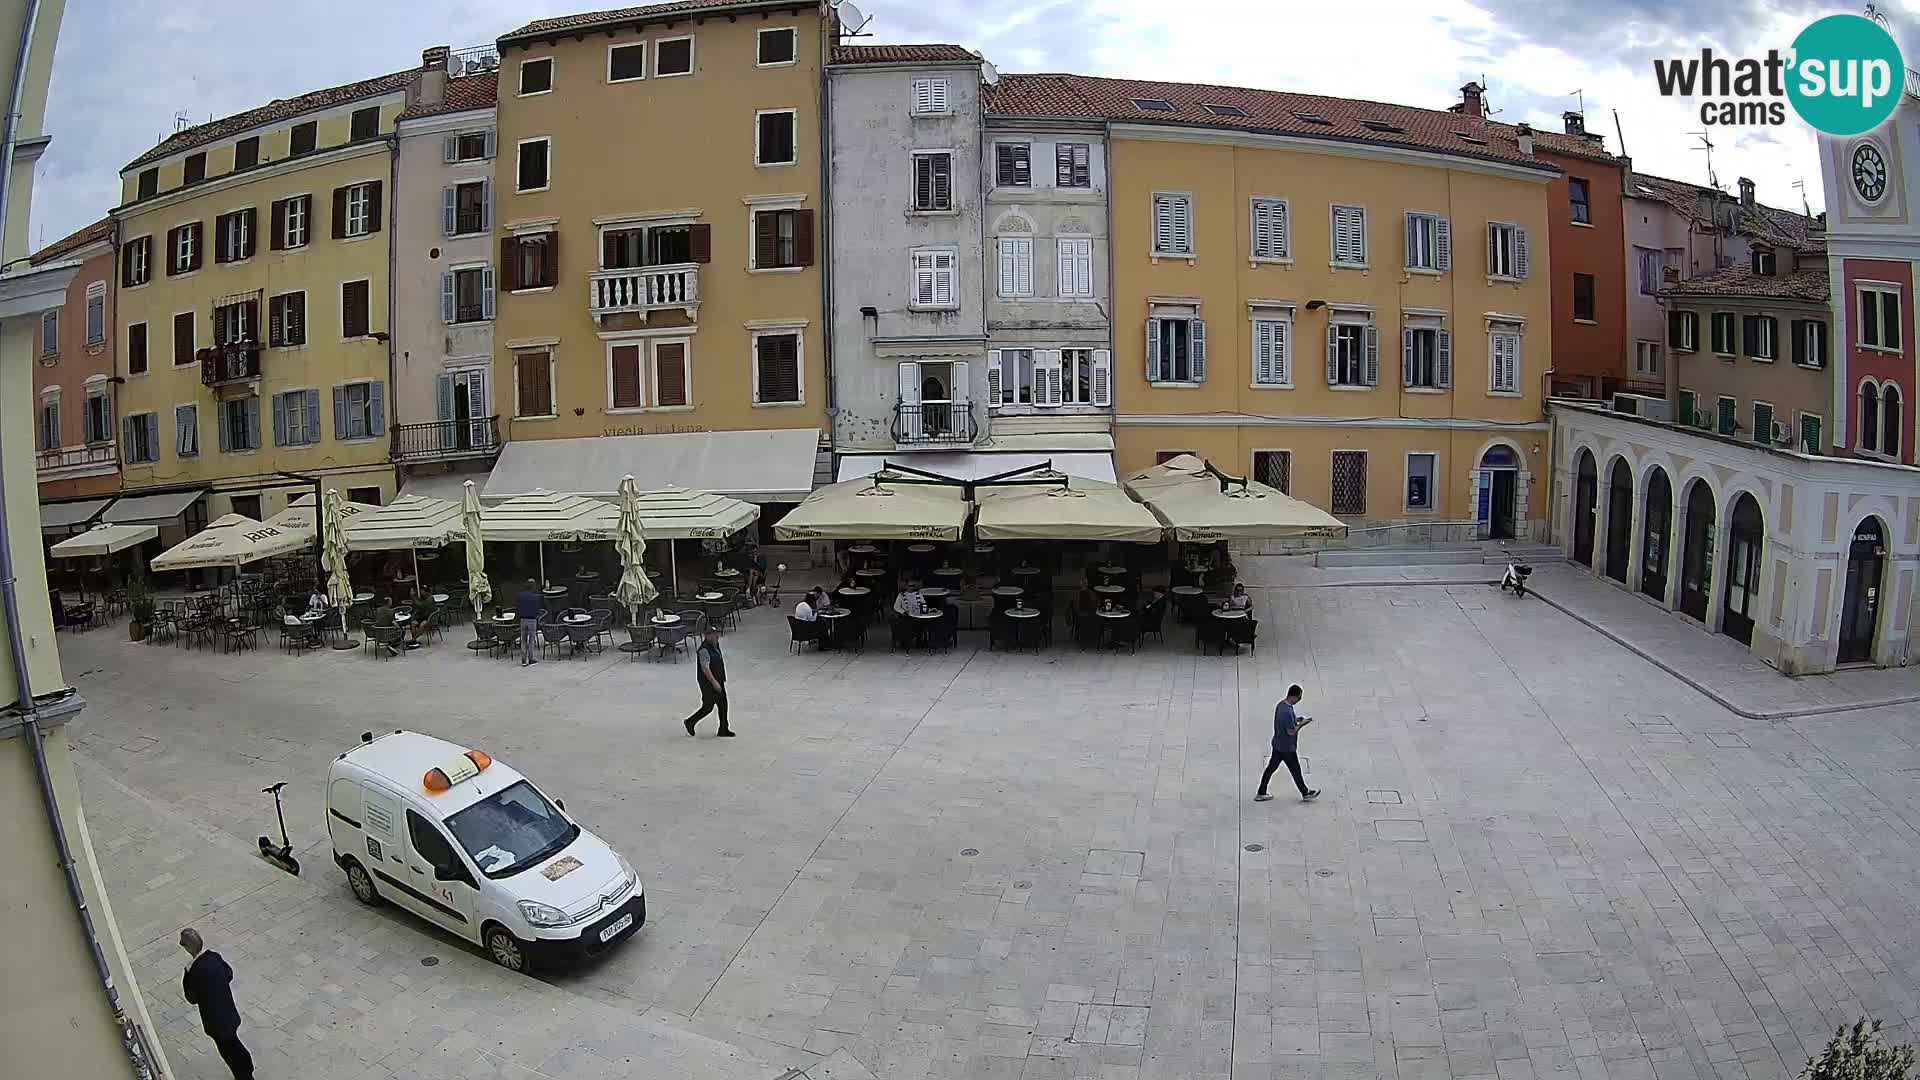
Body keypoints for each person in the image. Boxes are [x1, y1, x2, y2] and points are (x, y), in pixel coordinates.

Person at [180, 927, 253, 1079]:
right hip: (229, 1013)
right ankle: (247, 1070)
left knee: (228, 1051)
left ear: (187, 947)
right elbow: (229, 974)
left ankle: (244, 1074)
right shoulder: (214, 957)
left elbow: (192, 998)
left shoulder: (191, 971)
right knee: (234, 1043)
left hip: (215, 1023)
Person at [1255, 684, 1319, 803]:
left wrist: (1296, 719)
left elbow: (1287, 723)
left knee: (1271, 769)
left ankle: (1261, 792)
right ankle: (1305, 792)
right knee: (1295, 769)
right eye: (1299, 698)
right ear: (1293, 696)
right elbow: (1291, 731)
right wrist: (1302, 724)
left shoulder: (1281, 706)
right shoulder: (1287, 712)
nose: (1299, 700)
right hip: (1287, 748)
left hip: (1278, 744)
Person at [682, 626, 733, 737]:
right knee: (708, 707)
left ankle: (723, 729)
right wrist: (714, 682)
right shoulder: (704, 650)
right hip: (708, 683)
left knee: (723, 704)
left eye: (716, 633)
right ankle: (690, 722)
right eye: (713, 634)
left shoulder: (715, 645)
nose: (716, 636)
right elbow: (705, 668)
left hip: (718, 680)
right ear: (707, 636)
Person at [515, 578, 543, 666]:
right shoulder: (536, 597)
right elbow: (538, 610)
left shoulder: (520, 595)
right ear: (533, 587)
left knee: (523, 639)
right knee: (531, 640)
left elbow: (517, 608)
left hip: (523, 620)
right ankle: (530, 658)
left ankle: (523, 660)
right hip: (532, 620)